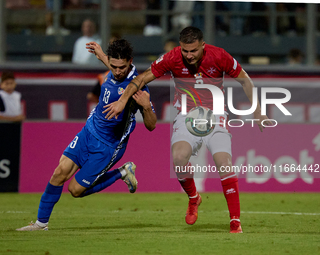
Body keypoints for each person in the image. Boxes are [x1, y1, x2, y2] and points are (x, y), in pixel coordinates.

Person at [93, 26, 273, 233]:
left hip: (216, 114)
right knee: (178, 158)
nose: (188, 56)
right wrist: (123, 100)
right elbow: (141, 79)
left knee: (223, 162)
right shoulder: (172, 57)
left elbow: (244, 79)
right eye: (185, 51)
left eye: (193, 51)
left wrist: (258, 111)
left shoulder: (219, 55)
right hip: (186, 115)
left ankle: (235, 221)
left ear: (203, 46)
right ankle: (194, 198)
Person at [16, 39, 157, 231]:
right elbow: (110, 63)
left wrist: (147, 106)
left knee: (75, 190)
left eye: (121, 67)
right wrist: (99, 53)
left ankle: (122, 172)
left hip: (108, 147)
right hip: (88, 132)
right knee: (59, 173)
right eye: (113, 66)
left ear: (130, 61)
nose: (116, 71)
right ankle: (41, 224)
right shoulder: (115, 67)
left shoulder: (138, 88)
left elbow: (151, 125)